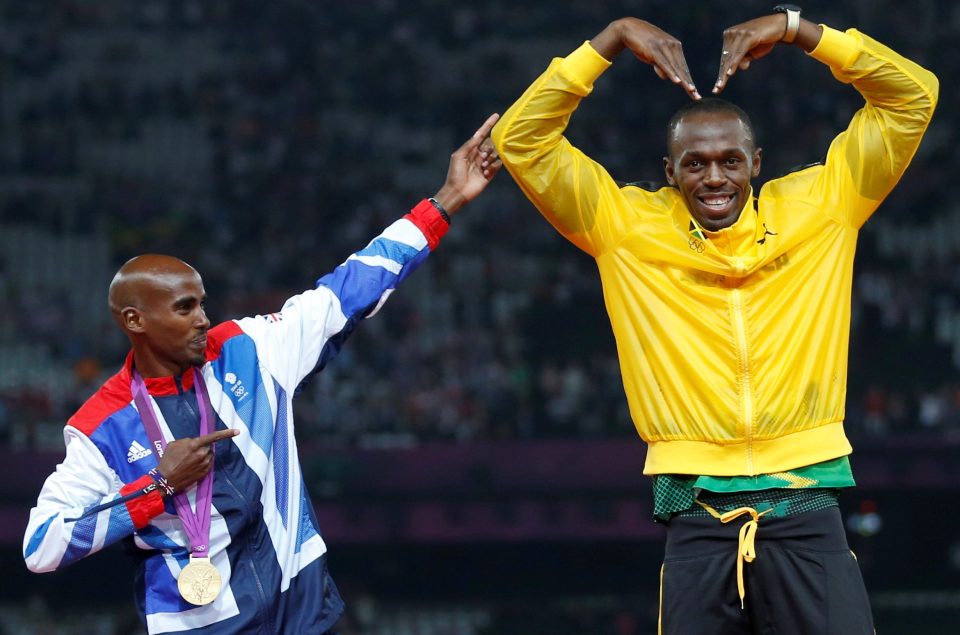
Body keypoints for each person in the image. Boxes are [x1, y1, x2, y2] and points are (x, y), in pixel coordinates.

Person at [492, 8, 937, 635]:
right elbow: (521, 139)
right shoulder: (623, 226)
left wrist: (795, 29)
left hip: (806, 498)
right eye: (695, 164)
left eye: (730, 160)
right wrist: (610, 41)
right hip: (696, 510)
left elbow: (913, 98)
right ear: (670, 172)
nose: (715, 177)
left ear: (756, 162)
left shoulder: (824, 205)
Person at [23, 113, 502, 634]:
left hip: (304, 613)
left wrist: (445, 201)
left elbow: (349, 287)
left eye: (202, 303)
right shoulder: (101, 426)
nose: (204, 317)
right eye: (185, 308)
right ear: (135, 321)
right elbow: (41, 546)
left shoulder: (249, 349)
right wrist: (158, 486)